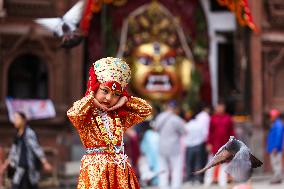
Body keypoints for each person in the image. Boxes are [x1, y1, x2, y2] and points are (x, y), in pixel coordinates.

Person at [67, 57, 152, 189]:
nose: (109, 98)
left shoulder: (120, 117)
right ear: (95, 88)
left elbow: (146, 110)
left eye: (116, 94)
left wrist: (125, 99)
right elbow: (73, 113)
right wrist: (91, 97)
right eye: (104, 91)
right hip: (95, 170)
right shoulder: (86, 116)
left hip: (120, 169)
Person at [0, 112, 52, 189]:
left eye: (17, 118)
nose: (15, 120)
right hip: (19, 168)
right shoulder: (17, 135)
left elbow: (36, 148)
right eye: (14, 118)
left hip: (28, 168)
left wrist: (45, 162)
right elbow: (13, 152)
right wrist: (5, 164)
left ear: (24, 120)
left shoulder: (29, 133)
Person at [154, 101, 186, 189]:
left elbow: (155, 129)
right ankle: (175, 186)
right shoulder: (177, 119)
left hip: (162, 147)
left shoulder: (160, 117)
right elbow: (184, 132)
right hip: (174, 148)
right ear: (175, 108)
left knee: (163, 168)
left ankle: (163, 186)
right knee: (176, 168)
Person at [205, 101, 235, 187]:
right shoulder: (213, 118)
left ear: (224, 108)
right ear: (216, 108)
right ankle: (208, 180)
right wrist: (208, 143)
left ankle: (223, 182)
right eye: (218, 107)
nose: (220, 108)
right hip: (215, 144)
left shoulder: (228, 118)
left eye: (222, 106)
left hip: (225, 145)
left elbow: (231, 132)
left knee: (224, 163)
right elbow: (210, 132)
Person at [184, 103, 210, 184]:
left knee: (189, 163)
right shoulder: (199, 125)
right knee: (198, 163)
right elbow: (204, 134)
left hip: (189, 146)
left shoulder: (187, 125)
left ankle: (189, 179)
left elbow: (184, 136)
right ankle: (198, 178)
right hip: (199, 145)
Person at [266, 109, 284, 184]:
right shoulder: (275, 124)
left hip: (275, 148)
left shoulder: (278, 125)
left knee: (276, 163)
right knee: (275, 163)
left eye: (271, 116)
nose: (270, 118)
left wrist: (276, 147)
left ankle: (277, 178)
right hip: (273, 147)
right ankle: (277, 177)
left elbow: (278, 137)